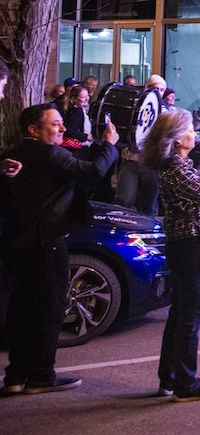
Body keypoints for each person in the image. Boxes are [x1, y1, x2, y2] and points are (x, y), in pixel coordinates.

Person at [1, 101, 118, 395]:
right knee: (50, 307)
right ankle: (41, 375)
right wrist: (109, 145)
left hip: (15, 243)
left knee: (20, 308)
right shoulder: (51, 154)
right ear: (33, 129)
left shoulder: (11, 156)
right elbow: (94, 170)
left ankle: (15, 375)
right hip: (46, 243)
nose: (62, 128)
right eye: (55, 124)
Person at [145, 108, 200, 402]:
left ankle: (169, 378)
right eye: (189, 130)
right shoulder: (176, 169)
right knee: (190, 317)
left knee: (180, 313)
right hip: (190, 246)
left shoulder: (181, 164)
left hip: (185, 245)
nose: (194, 134)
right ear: (176, 138)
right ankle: (186, 383)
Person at [115, 75, 168, 214]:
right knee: (124, 200)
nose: (158, 92)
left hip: (151, 163)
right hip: (131, 160)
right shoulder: (134, 108)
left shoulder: (166, 113)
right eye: (155, 89)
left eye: (161, 90)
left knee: (148, 205)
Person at [61, 84, 92, 151]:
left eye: (87, 96)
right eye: (83, 97)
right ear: (74, 99)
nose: (87, 99)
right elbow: (70, 130)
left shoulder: (74, 109)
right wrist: (86, 137)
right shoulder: (77, 111)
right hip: (78, 148)